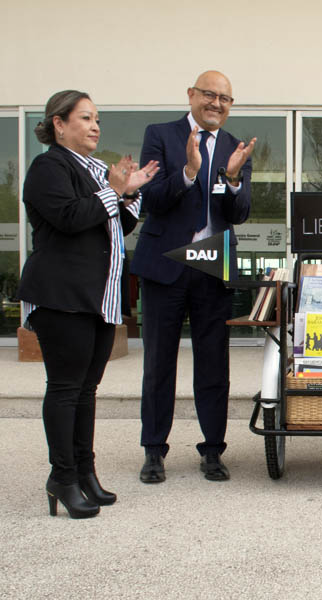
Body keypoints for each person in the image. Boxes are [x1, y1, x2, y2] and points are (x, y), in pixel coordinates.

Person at [17, 90, 159, 518]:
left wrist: (128, 195)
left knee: (86, 390)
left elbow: (113, 225)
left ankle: (84, 472)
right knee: (65, 389)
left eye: (97, 118)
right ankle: (62, 477)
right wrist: (113, 192)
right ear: (58, 124)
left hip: (98, 300)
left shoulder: (97, 172)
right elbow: (69, 218)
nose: (95, 125)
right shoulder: (48, 167)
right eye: (85, 118)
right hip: (63, 299)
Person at [132, 71, 256, 483]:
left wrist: (234, 178)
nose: (216, 103)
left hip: (211, 266)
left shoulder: (237, 148)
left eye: (224, 98)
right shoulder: (161, 134)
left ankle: (213, 450)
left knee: (213, 364)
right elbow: (150, 199)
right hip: (166, 262)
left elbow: (238, 214)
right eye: (209, 94)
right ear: (191, 95)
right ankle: (154, 450)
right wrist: (187, 172)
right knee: (159, 363)